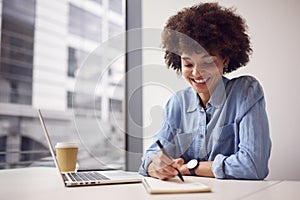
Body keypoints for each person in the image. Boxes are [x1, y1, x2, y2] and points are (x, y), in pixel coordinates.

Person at [139, 2, 271, 180]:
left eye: (207, 62)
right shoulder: (178, 103)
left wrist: (191, 168)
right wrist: (154, 165)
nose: (196, 73)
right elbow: (150, 157)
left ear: (225, 60)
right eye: (188, 64)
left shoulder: (245, 93)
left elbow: (254, 166)